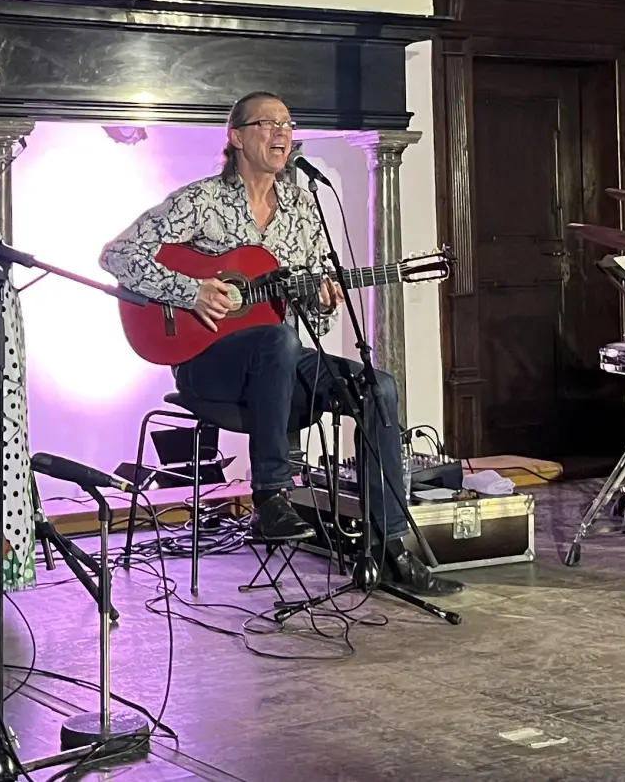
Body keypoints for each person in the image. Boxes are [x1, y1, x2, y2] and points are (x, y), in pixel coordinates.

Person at [100, 91, 462, 597]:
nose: (281, 132)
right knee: (277, 339)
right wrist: (192, 291)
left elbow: (311, 314)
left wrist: (324, 300)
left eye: (287, 124)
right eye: (267, 123)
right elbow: (116, 255)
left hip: (279, 362)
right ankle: (271, 494)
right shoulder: (201, 201)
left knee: (377, 386)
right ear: (236, 137)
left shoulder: (303, 207)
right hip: (206, 363)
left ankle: (389, 548)